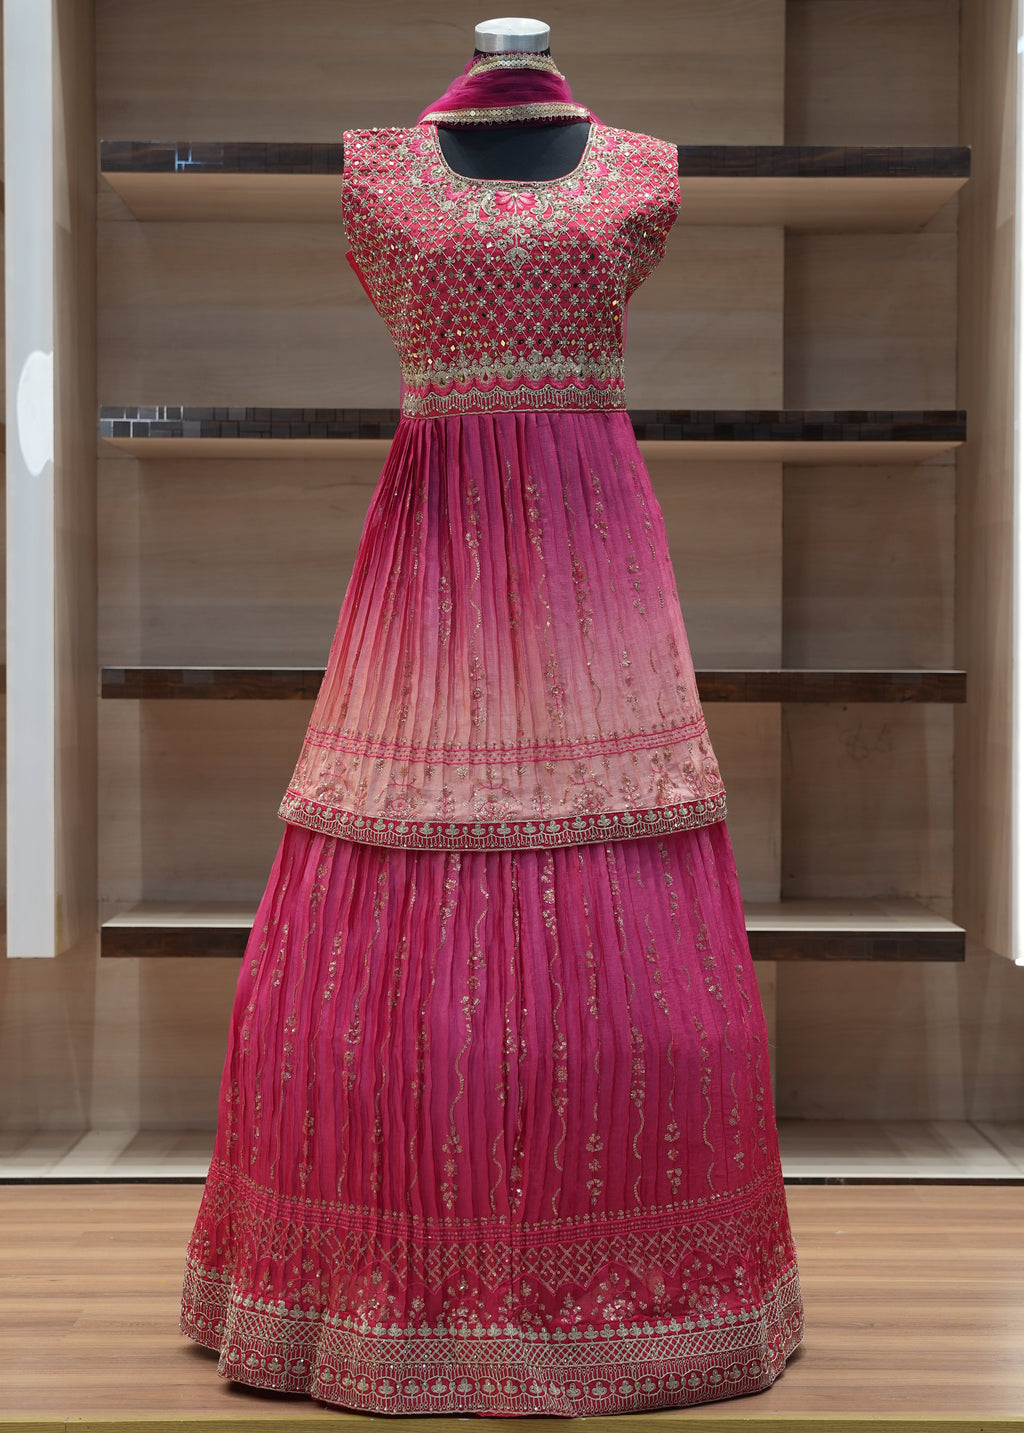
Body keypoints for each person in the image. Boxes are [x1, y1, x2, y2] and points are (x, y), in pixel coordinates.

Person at [179, 17, 805, 1416]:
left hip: (590, 540)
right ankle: (365, 1282)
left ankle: (655, 1284)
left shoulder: (643, 168)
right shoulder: (381, 173)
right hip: (437, 533)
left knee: (612, 864)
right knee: (397, 844)